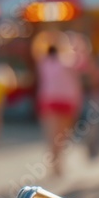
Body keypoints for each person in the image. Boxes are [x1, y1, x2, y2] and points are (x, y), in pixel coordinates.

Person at [36, 45, 82, 175]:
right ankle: (59, 162)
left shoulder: (43, 63)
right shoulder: (67, 62)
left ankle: (54, 163)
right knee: (63, 135)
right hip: (67, 100)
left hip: (49, 99)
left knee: (52, 135)